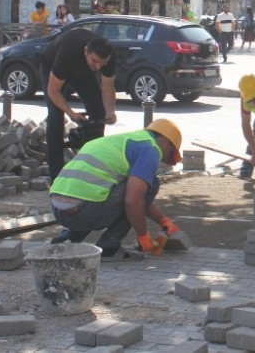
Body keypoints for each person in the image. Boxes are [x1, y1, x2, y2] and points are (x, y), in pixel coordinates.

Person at [49, 119, 184, 260]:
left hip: (58, 210)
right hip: (85, 213)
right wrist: (144, 237)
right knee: (151, 184)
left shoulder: (117, 141)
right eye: (169, 152)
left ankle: (68, 238)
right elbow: (133, 200)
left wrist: (163, 221)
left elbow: (135, 197)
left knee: (102, 189)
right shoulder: (150, 149)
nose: (165, 158)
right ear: (163, 141)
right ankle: (109, 246)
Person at [40, 28, 118, 179]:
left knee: (98, 113)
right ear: (85, 51)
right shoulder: (68, 53)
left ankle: (91, 169)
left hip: (83, 73)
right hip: (52, 68)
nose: (98, 67)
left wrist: (110, 112)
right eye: (94, 61)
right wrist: (71, 113)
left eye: (102, 64)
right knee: (56, 118)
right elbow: (53, 91)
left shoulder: (106, 57)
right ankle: (56, 176)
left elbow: (108, 86)